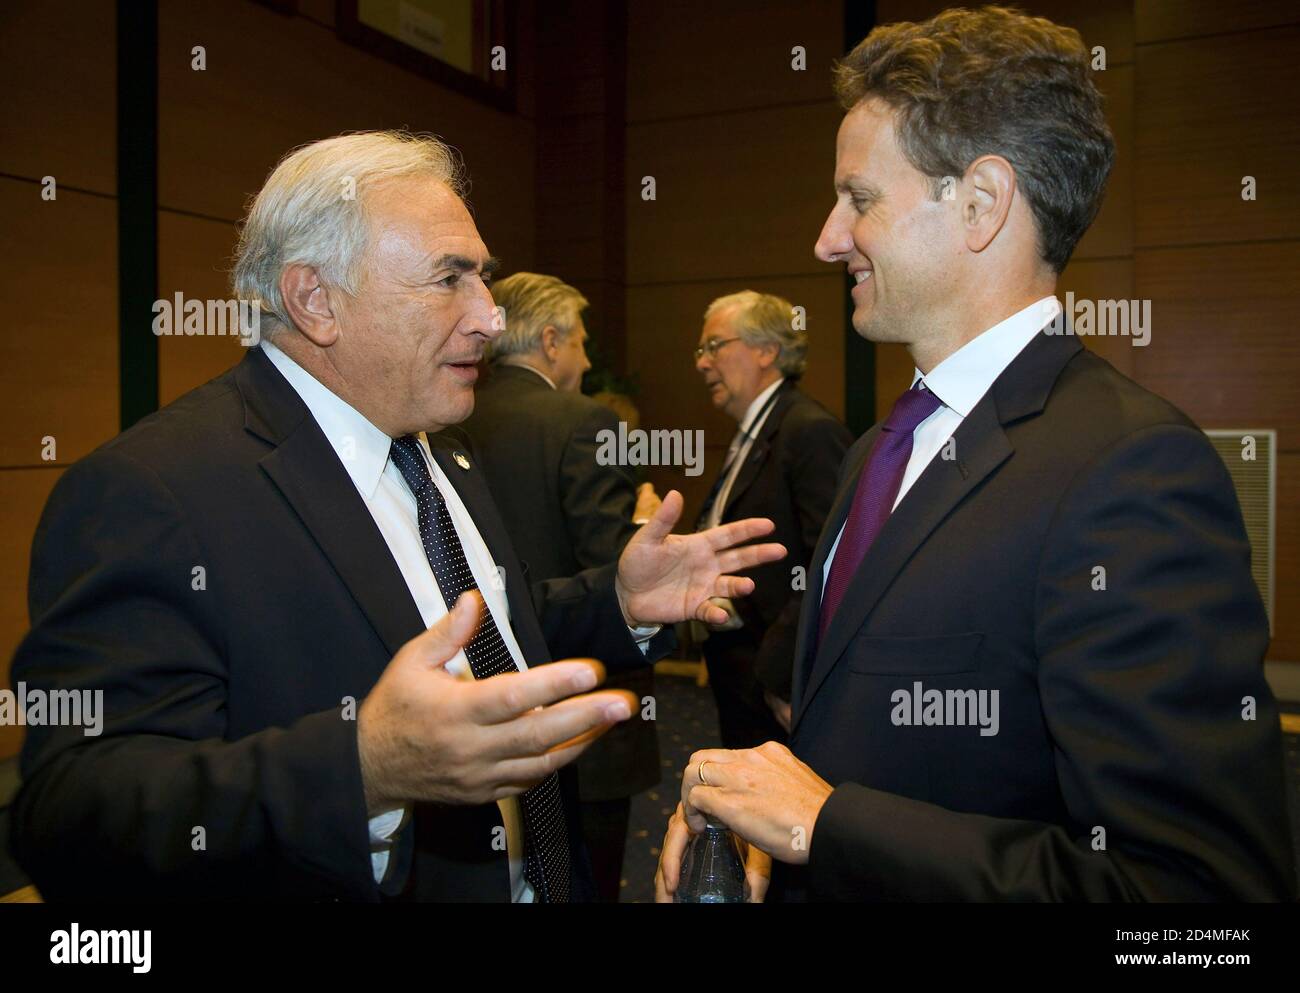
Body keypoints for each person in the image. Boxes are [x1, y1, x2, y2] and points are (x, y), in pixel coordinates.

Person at [8, 131, 784, 902]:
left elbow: (476, 629)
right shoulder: (153, 490)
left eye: (484, 279)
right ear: (315, 300)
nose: (488, 317)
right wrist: (361, 770)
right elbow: (71, 812)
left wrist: (614, 600)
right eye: (451, 279)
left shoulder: (437, 445)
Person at [658, 7, 1297, 902]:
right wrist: (776, 831)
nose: (827, 237)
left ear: (982, 203)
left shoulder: (1131, 472)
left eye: (860, 199)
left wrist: (828, 825)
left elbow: (1199, 910)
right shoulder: (880, 450)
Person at [462, 271, 661, 901]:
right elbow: (608, 562)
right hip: (582, 708)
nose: (586, 357)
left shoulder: (449, 418)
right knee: (587, 877)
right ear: (550, 341)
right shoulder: (585, 421)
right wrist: (641, 527)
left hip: (481, 695)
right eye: (579, 341)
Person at [692, 291, 852, 748]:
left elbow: (833, 563)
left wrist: (778, 677)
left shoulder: (808, 431)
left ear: (766, 350)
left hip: (774, 677)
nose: (702, 364)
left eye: (714, 346)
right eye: (699, 351)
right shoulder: (756, 431)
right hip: (743, 668)